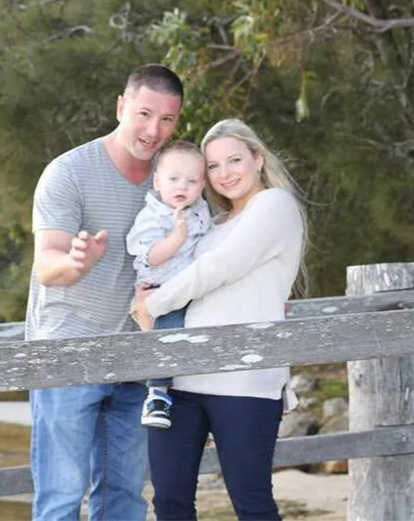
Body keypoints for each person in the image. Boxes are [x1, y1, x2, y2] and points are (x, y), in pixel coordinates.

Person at [25, 64, 184, 521]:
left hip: (136, 362)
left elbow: (202, 254)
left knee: (124, 500)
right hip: (67, 356)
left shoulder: (172, 180)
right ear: (121, 107)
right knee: (60, 500)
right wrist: (75, 263)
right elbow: (47, 263)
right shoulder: (68, 173)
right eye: (144, 114)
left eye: (168, 120)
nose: (154, 130)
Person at [130, 118, 306, 521]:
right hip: (181, 380)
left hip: (244, 380)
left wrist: (152, 307)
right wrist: (146, 305)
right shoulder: (210, 223)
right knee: (171, 504)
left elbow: (217, 270)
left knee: (252, 504)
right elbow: (173, 278)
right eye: (212, 166)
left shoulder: (274, 205)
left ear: (258, 159)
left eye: (234, 160)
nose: (224, 173)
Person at [125, 140, 212, 429]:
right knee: (168, 330)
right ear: (158, 181)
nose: (182, 186)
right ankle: (157, 394)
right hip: (162, 290)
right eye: (174, 179)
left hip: (191, 287)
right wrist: (176, 237)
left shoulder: (199, 209)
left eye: (191, 181)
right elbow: (151, 256)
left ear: (201, 186)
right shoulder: (152, 216)